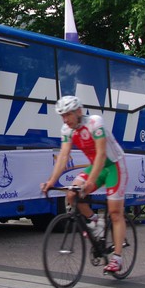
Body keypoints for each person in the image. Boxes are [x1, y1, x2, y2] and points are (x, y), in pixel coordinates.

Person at [41, 96, 129, 274]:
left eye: (68, 115)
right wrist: (51, 181)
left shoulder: (95, 123)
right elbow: (63, 157)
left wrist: (90, 183)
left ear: (79, 111)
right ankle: (95, 221)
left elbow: (101, 154)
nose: (65, 120)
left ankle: (117, 258)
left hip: (113, 166)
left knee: (115, 212)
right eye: (62, 116)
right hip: (96, 166)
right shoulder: (67, 130)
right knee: (72, 193)